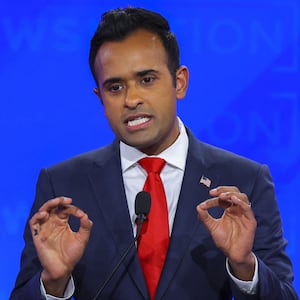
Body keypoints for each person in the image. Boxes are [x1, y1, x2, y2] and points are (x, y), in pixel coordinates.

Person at [10, 6, 298, 300]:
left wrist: (245, 267)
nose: (131, 99)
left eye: (147, 79)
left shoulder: (245, 179)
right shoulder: (63, 185)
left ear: (179, 82)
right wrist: (53, 283)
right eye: (115, 86)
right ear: (100, 97)